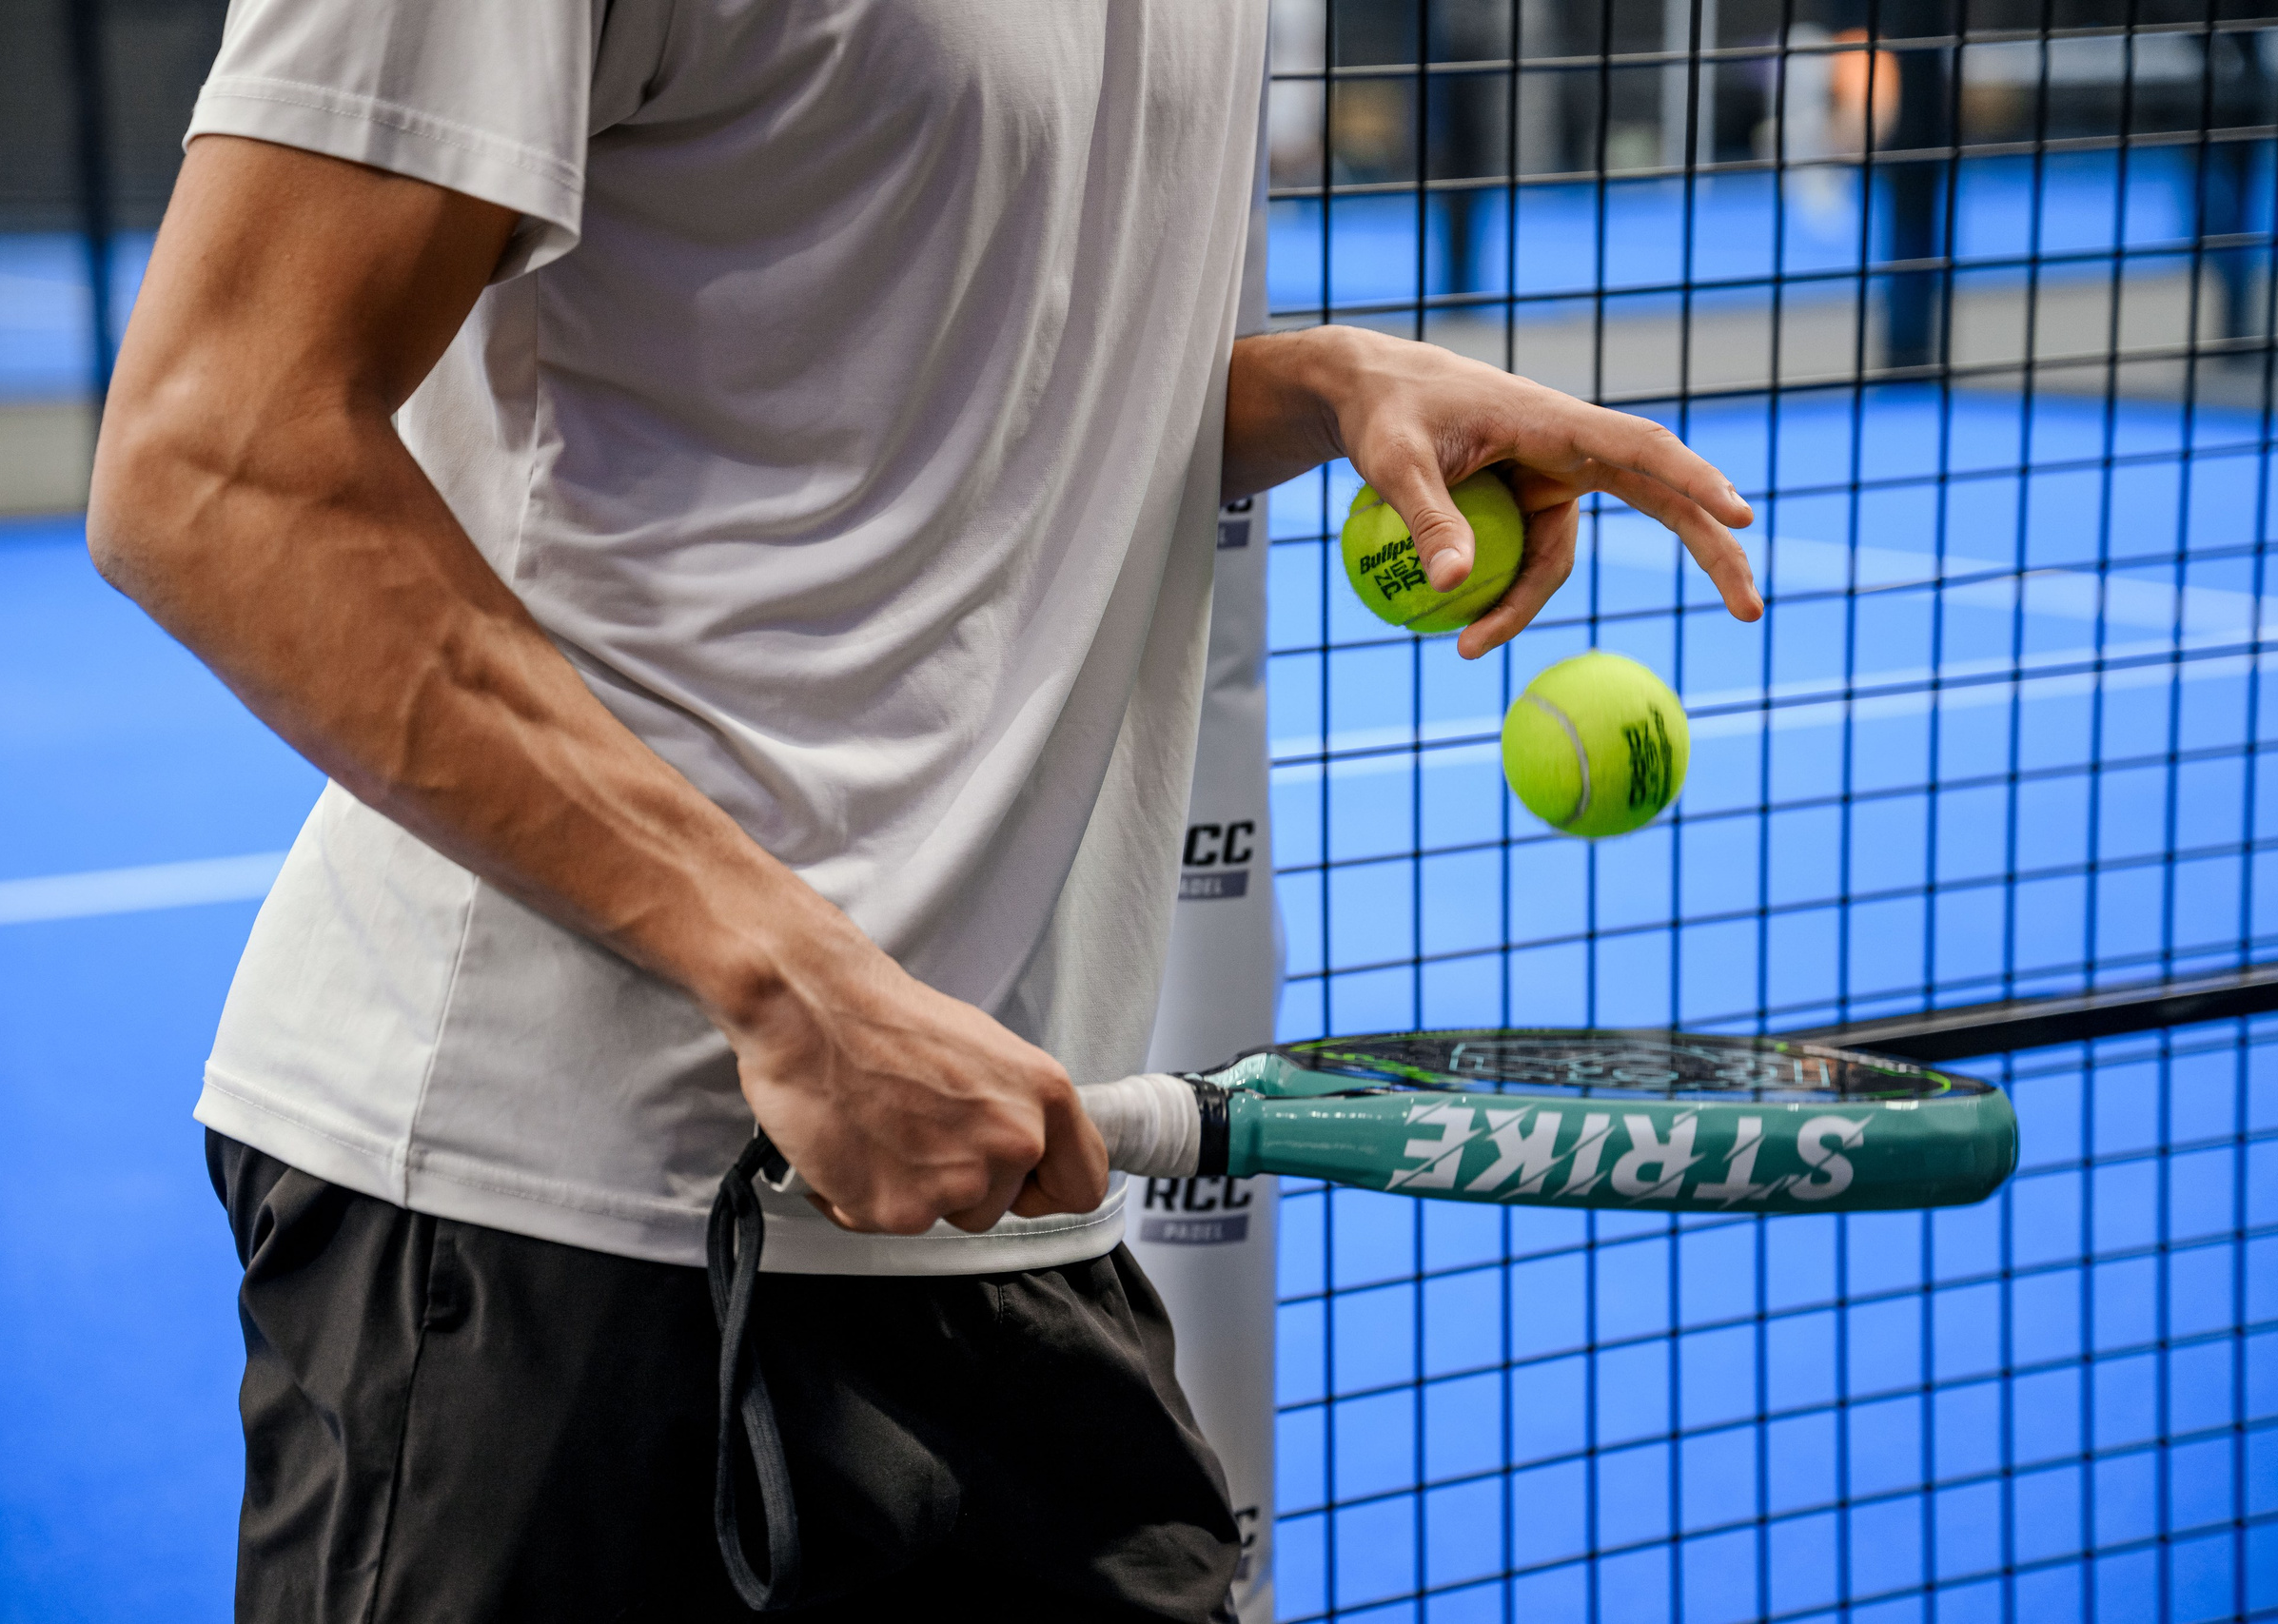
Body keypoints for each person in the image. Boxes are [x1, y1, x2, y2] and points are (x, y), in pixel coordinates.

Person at [87, 3, 1763, 1619]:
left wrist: (1310, 385)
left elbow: (916, 363)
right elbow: (216, 456)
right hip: (549, 1233)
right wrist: (783, 970)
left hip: (1000, 1194)